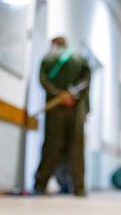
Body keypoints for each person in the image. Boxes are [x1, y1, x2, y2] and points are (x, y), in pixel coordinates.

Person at [33, 36, 90, 197]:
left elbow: (42, 80)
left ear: (54, 44)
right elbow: (87, 82)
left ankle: (40, 185)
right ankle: (79, 188)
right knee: (77, 149)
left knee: (51, 145)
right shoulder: (80, 58)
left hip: (55, 107)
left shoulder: (48, 57)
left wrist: (58, 94)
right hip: (76, 107)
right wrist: (74, 96)